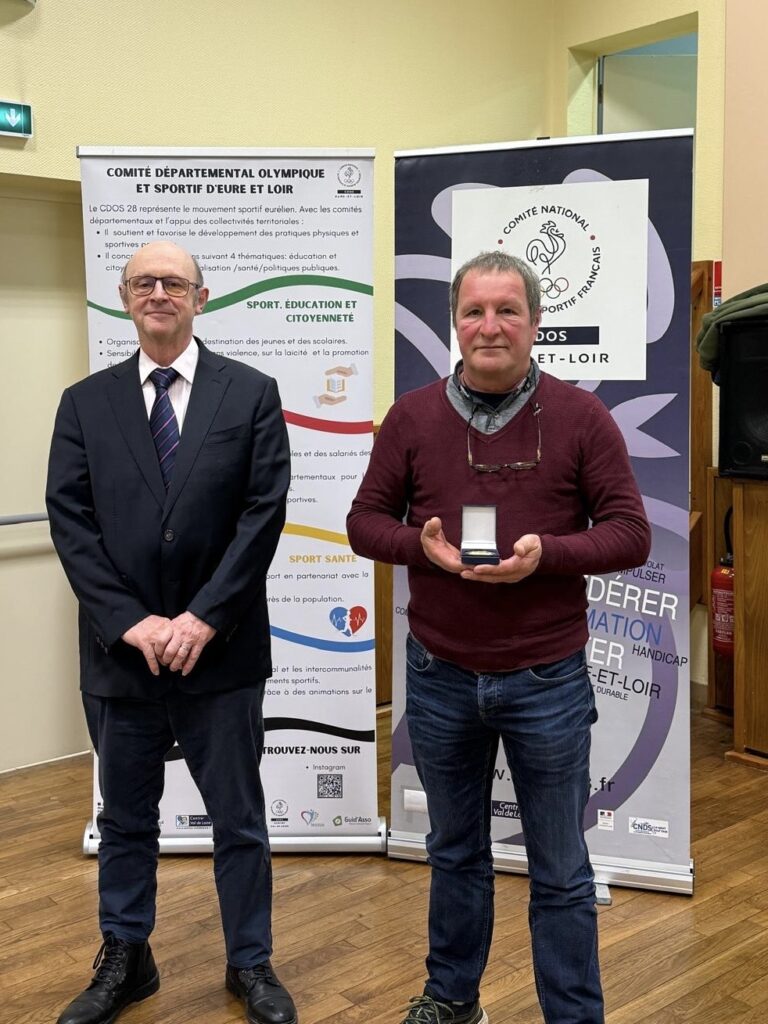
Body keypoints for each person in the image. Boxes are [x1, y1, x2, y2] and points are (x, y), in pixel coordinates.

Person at [347, 251, 651, 1024]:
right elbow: (364, 523)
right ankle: (452, 1001)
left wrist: (549, 555)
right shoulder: (411, 417)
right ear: (455, 323)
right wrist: (423, 547)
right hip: (440, 676)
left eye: (507, 310)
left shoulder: (581, 417)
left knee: (561, 869)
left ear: (535, 322)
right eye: (474, 311)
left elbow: (630, 533)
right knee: (453, 853)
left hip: (546, 679)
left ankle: (573, 1016)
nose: (490, 326)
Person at [46, 241, 296, 1024]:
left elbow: (262, 515)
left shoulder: (251, 394)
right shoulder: (84, 403)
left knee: (239, 821)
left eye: (175, 283)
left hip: (221, 652)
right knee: (124, 819)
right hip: (121, 658)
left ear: (201, 297)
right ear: (125, 297)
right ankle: (127, 956)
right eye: (145, 283)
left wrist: (202, 617)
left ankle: (250, 960)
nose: (160, 293)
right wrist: (132, 623)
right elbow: (70, 521)